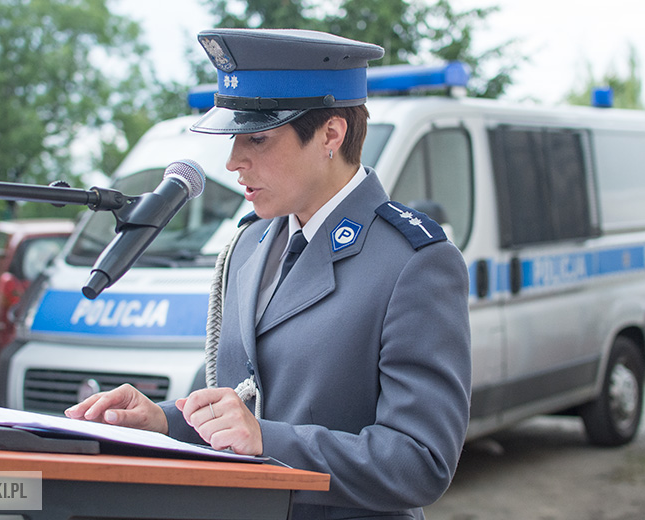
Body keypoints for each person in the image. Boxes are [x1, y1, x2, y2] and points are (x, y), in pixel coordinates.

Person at [66, 28, 472, 520]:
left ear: (331, 134)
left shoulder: (413, 260)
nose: (235, 162)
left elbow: (420, 462)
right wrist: (162, 421)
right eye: (235, 139)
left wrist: (267, 440)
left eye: (257, 137)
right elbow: (239, 404)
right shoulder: (248, 244)